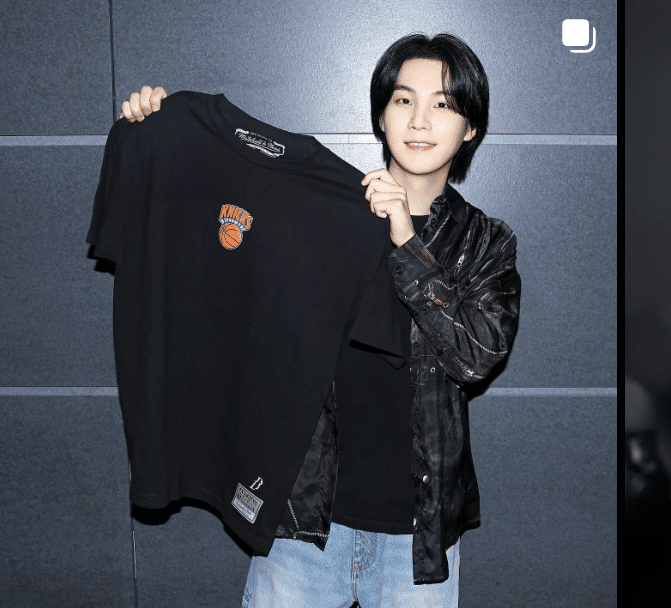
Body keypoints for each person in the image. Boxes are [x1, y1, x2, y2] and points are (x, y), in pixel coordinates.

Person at [121, 32, 519, 608]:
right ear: (381, 115)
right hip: (303, 524)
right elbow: (215, 218)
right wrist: (158, 126)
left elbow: (473, 356)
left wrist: (404, 241)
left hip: (418, 539)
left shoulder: (485, 242)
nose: (420, 120)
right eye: (404, 100)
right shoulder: (318, 214)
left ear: (471, 128)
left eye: (444, 104)